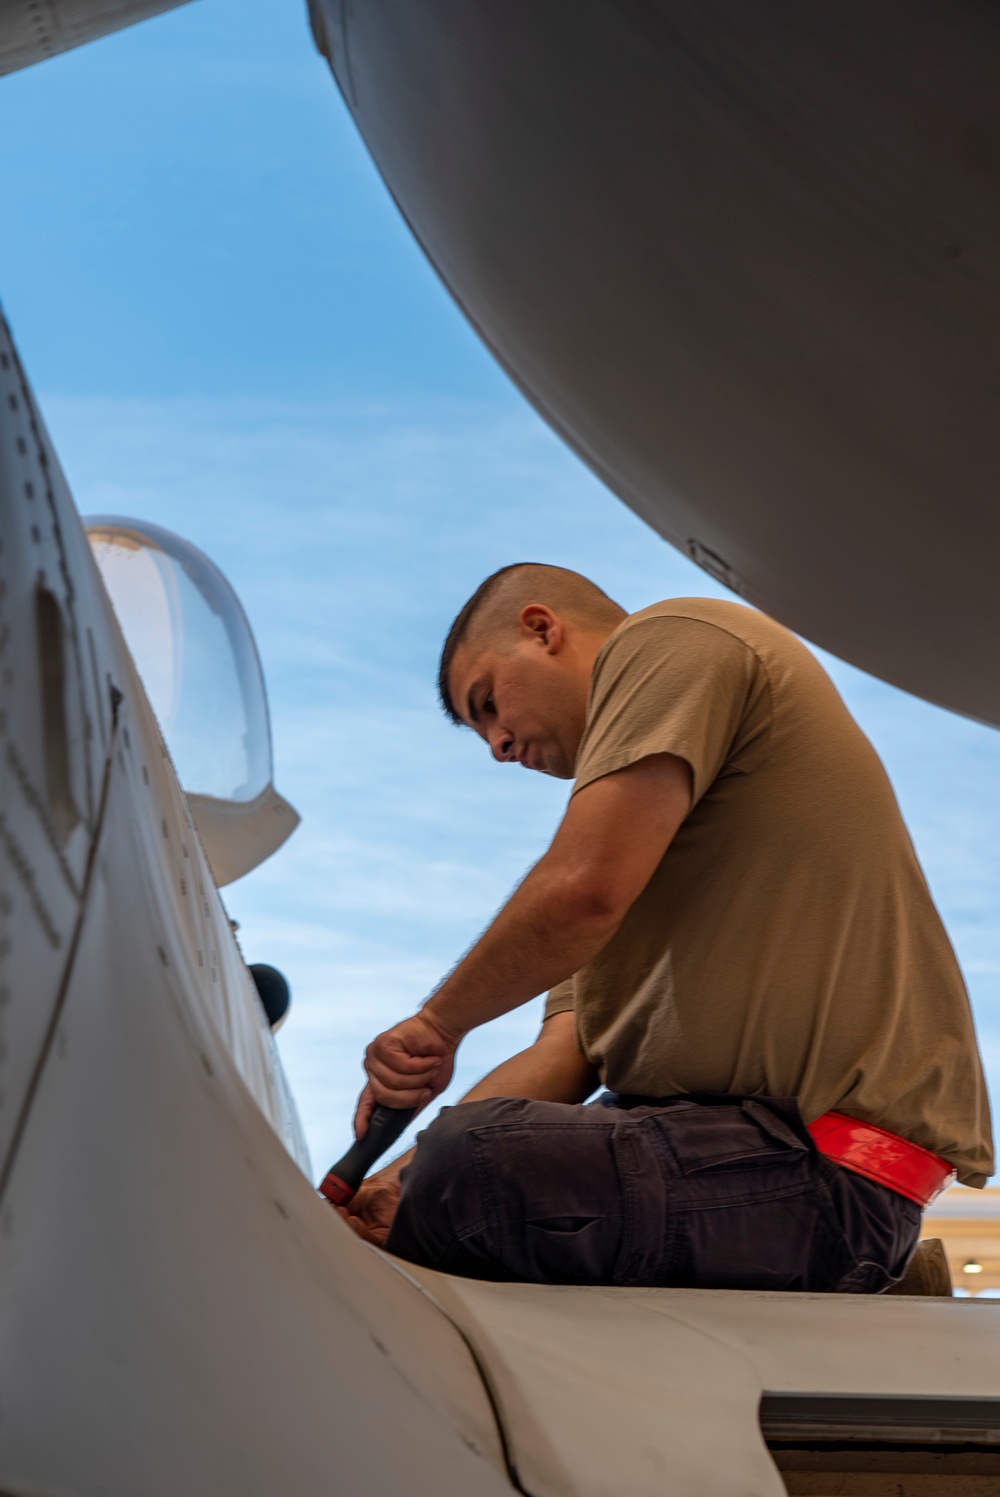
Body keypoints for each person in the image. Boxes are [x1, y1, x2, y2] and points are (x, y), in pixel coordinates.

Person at [335, 564, 992, 1291]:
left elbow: (583, 889)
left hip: (818, 1173)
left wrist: (437, 1024)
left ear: (541, 628)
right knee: (449, 1164)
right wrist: (387, 1182)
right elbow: (561, 1056)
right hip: (708, 1151)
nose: (497, 744)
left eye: (489, 702)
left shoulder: (677, 637)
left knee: (474, 1164)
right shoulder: (640, 847)